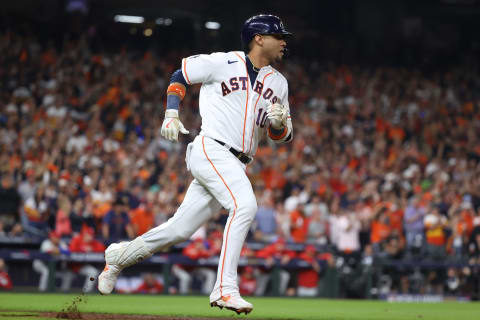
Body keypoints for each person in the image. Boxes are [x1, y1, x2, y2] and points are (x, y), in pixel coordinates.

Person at [98, 14, 293, 315]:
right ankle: (225, 289)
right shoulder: (223, 62)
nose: (284, 41)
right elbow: (181, 74)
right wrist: (171, 113)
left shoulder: (279, 83)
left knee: (178, 230)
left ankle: (118, 257)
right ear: (258, 38)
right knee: (245, 205)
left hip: (237, 163)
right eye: (278, 36)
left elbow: (281, 136)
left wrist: (278, 125)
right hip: (211, 148)